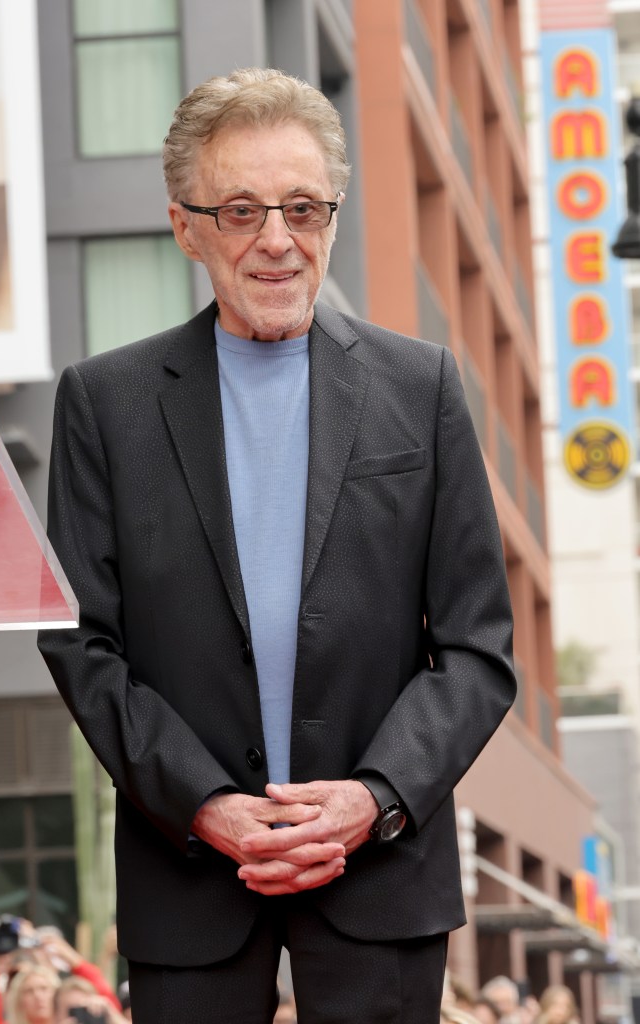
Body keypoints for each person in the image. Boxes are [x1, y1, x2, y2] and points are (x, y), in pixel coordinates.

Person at [38, 66, 516, 1023]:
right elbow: (84, 647)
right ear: (185, 226)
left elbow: (475, 649)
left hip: (382, 875)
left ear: (332, 217)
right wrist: (205, 804)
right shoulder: (103, 405)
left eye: (303, 208)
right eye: (242, 209)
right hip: (190, 881)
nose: (276, 241)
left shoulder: (421, 386)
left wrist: (376, 796)